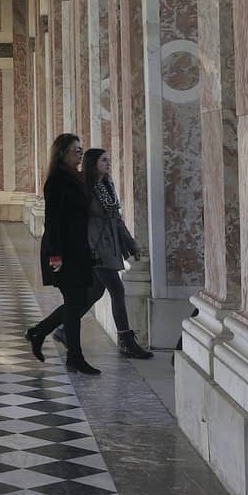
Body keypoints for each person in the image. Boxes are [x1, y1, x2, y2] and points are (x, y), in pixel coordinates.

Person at [25, 134, 104, 376]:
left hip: (78, 250)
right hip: (63, 252)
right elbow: (53, 222)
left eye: (81, 150)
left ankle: (40, 331)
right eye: (75, 150)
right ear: (63, 153)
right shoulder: (57, 181)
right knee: (75, 301)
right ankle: (74, 357)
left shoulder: (76, 178)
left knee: (79, 299)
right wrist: (54, 256)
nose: (80, 153)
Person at [84, 148, 151, 359]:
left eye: (109, 160)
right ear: (93, 163)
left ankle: (62, 328)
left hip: (110, 244)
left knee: (94, 293)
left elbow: (117, 218)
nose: (108, 163)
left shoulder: (108, 185)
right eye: (104, 160)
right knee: (117, 290)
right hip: (97, 247)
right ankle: (126, 340)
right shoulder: (86, 188)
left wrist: (131, 245)